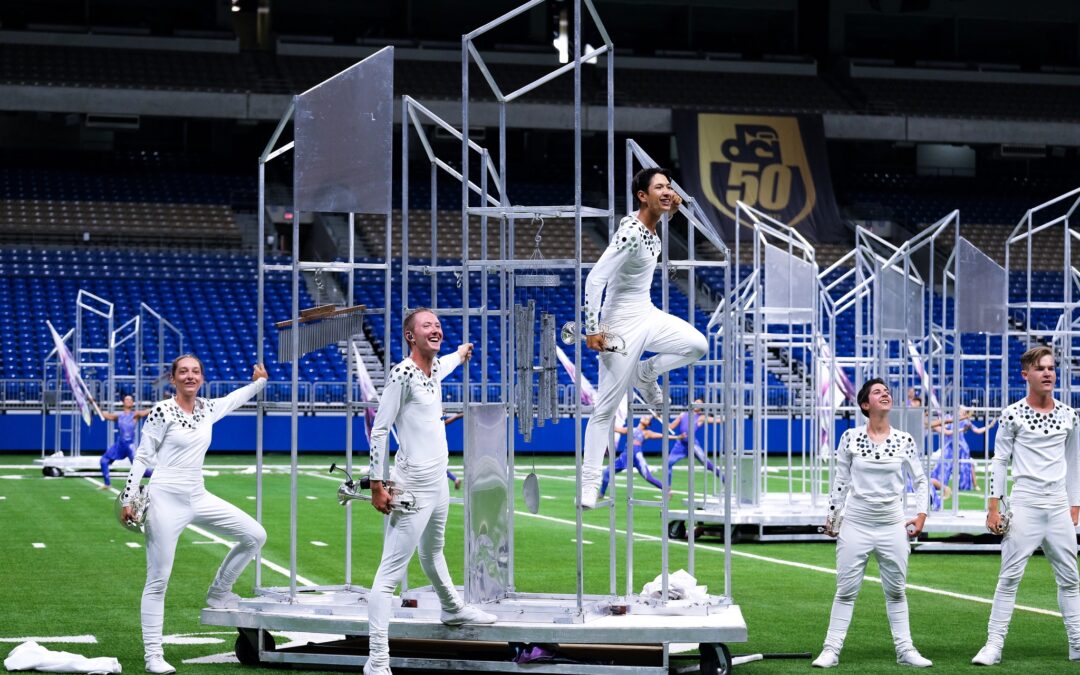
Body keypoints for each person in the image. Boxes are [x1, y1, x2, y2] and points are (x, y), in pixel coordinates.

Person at [364, 308, 496, 675]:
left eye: (438, 325)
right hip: (413, 486)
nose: (436, 329)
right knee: (389, 575)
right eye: (428, 326)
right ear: (411, 336)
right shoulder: (402, 374)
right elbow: (379, 429)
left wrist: (460, 352)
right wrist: (377, 483)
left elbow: (448, 364)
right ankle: (376, 660)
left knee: (433, 551)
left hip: (438, 482)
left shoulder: (434, 368)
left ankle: (451, 607)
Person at [119, 355, 268, 674]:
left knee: (255, 535)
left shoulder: (207, 408)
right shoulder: (162, 411)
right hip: (163, 500)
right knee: (158, 580)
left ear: (202, 377)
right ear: (172, 379)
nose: (190, 376)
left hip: (197, 495)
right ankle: (153, 656)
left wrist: (259, 382)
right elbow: (143, 456)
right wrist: (129, 498)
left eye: (196, 371)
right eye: (183, 372)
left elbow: (234, 399)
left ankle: (219, 593)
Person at [580, 167, 708, 508]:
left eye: (669, 186)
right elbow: (595, 279)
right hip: (618, 327)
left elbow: (653, 221)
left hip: (647, 313)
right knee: (605, 409)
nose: (667, 191)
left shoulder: (652, 230)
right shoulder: (631, 233)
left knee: (698, 344)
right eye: (659, 187)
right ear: (642, 196)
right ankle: (589, 485)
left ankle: (646, 373)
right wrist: (592, 329)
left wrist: (671, 209)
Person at [971, 346, 1080, 666]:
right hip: (1025, 504)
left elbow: (1074, 463)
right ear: (1025, 375)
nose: (1048, 373)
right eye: (1040, 368)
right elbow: (1000, 462)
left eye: (1051, 367)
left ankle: (1077, 642)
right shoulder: (1012, 414)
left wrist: (1075, 503)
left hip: (1059, 505)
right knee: (1009, 577)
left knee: (1070, 578)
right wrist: (993, 506)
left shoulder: (1069, 414)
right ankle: (993, 646)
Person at [813, 378, 932, 669]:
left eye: (887, 391)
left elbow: (920, 480)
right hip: (856, 523)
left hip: (892, 525)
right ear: (866, 404)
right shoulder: (850, 438)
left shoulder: (905, 440)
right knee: (845, 590)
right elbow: (840, 482)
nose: (885, 394)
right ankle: (831, 649)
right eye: (878, 392)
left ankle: (905, 651)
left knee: (896, 591)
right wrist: (833, 518)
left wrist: (920, 516)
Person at [930, 407, 994, 492]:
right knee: (944, 465)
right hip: (949, 446)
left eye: (964, 411)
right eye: (962, 411)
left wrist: (990, 426)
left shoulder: (965, 421)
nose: (962, 413)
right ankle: (939, 485)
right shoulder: (948, 418)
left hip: (962, 446)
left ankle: (966, 486)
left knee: (967, 465)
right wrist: (961, 429)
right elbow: (946, 431)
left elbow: (977, 430)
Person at [599, 414, 664, 496]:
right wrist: (605, 422)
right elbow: (615, 429)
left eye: (647, 419)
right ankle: (601, 493)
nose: (644, 417)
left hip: (636, 457)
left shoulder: (647, 433)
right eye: (644, 417)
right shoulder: (631, 429)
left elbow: (663, 436)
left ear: (648, 424)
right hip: (625, 458)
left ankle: (666, 489)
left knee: (648, 477)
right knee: (607, 472)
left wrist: (677, 437)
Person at [665, 399, 723, 487]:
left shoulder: (701, 417)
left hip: (692, 445)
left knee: (706, 463)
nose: (697, 404)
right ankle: (667, 487)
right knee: (668, 463)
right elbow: (670, 427)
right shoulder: (682, 415)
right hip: (680, 444)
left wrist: (729, 416)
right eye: (696, 402)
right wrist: (661, 418)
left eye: (700, 404)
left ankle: (724, 479)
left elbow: (717, 420)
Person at [99, 394, 151, 489]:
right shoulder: (118, 417)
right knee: (103, 460)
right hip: (120, 445)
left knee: (143, 470)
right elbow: (104, 415)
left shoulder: (135, 415)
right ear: (123, 402)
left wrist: (161, 406)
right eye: (127, 399)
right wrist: (94, 406)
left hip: (130, 446)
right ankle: (107, 484)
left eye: (131, 400)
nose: (129, 401)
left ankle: (159, 476)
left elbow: (147, 412)